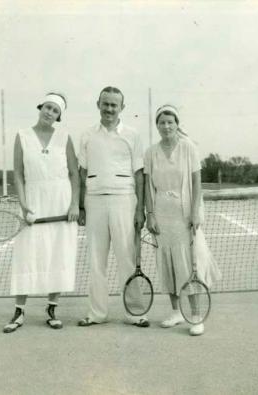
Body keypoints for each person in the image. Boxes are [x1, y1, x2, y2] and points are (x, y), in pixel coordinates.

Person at [3, 92, 80, 333]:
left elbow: (74, 173)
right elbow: (18, 174)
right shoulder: (22, 136)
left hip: (62, 200)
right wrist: (24, 205)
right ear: (40, 107)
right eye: (47, 107)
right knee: (27, 254)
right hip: (34, 201)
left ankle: (52, 308)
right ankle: (19, 311)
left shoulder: (65, 137)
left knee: (59, 253)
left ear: (59, 116)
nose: (50, 113)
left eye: (55, 111)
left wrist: (75, 204)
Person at [144, 104, 221, 336]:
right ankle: (176, 311)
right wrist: (150, 214)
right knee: (168, 264)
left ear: (177, 124)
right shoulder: (150, 152)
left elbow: (197, 182)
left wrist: (196, 211)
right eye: (162, 122)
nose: (166, 126)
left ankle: (196, 316)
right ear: (157, 125)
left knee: (190, 265)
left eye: (170, 122)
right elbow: (147, 187)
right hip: (162, 215)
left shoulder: (189, 147)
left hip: (185, 214)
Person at [77, 86, 149, 328]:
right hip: (94, 201)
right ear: (98, 104)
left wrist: (140, 210)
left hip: (124, 201)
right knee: (96, 261)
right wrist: (81, 206)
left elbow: (139, 175)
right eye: (105, 104)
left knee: (127, 258)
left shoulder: (133, 135)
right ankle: (97, 313)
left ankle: (135, 312)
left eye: (114, 105)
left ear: (122, 108)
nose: (109, 109)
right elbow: (82, 172)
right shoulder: (87, 135)